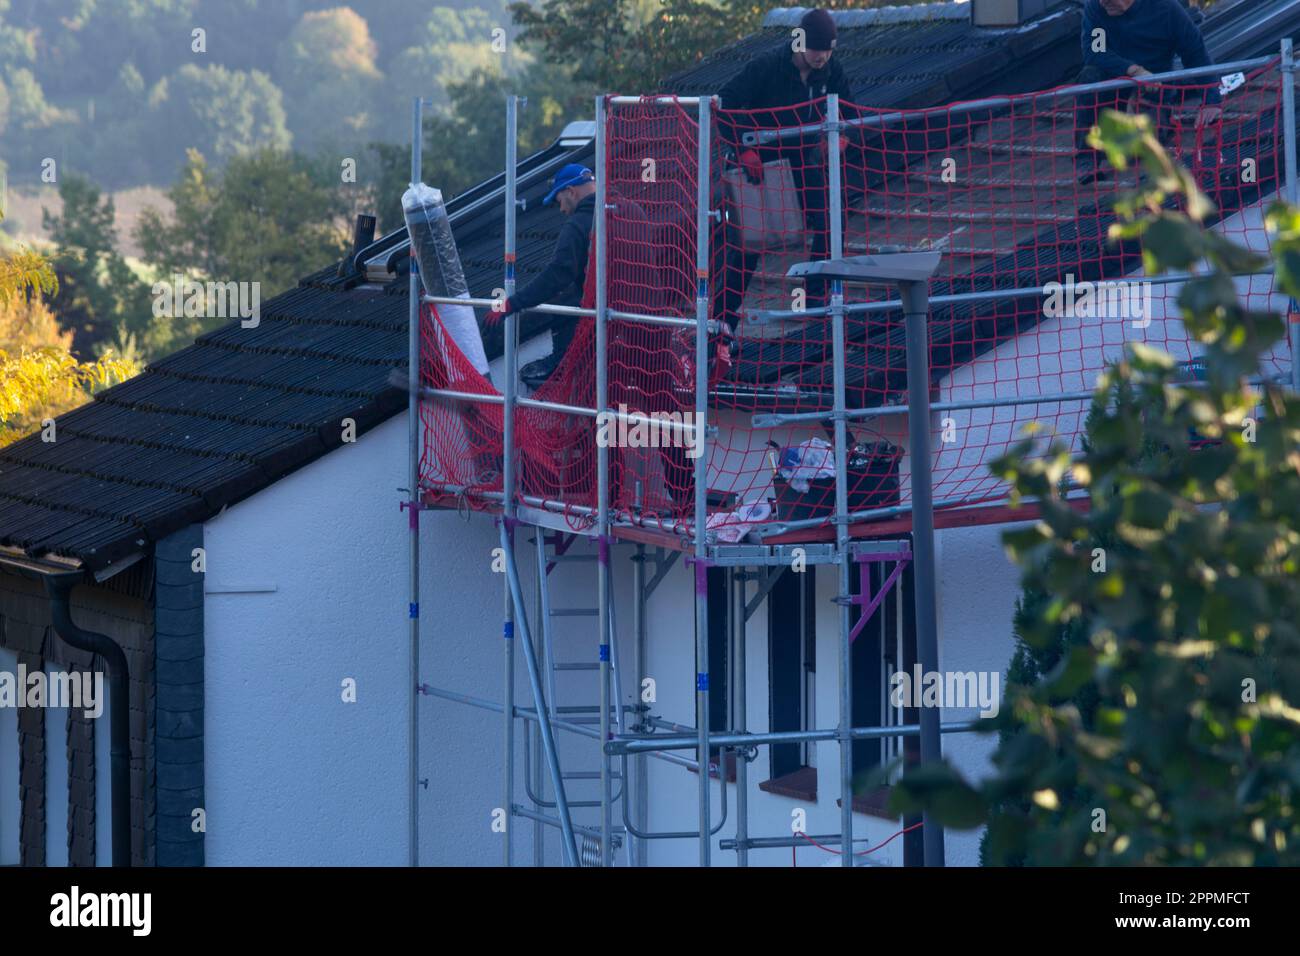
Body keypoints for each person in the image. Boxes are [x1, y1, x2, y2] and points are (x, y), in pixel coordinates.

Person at [716, 7, 855, 323]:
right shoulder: (766, 67)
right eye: (817, 49)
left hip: (803, 162)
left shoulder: (831, 70)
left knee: (832, 221)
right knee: (751, 246)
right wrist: (742, 148)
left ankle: (816, 297)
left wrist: (841, 134)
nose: (822, 57)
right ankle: (721, 319)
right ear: (799, 43)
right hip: (761, 165)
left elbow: (850, 108)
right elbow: (724, 104)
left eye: (828, 50)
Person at [1074, 0, 1222, 172]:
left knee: (1136, 151)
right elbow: (1095, 51)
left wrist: (1211, 100)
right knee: (1090, 75)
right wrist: (1135, 71)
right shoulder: (1097, 9)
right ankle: (1086, 156)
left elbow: (1195, 53)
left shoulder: (1165, 9)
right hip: (1113, 87)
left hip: (1154, 90)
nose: (1103, 2)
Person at [493, 163, 598, 387]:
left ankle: (563, 365)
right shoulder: (629, 211)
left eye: (559, 200)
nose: (561, 210)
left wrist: (512, 303)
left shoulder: (578, 224)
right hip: (644, 322)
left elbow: (558, 274)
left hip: (605, 326)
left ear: (571, 191)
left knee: (567, 306)